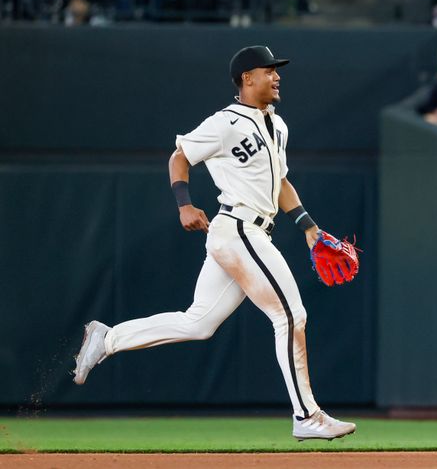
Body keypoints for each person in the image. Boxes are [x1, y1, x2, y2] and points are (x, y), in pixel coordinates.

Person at [72, 45, 357, 441]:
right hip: (238, 228)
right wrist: (184, 204)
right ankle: (307, 415)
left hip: (250, 232)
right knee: (291, 316)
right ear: (246, 78)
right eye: (268, 70)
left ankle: (108, 338)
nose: (277, 77)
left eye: (277, 71)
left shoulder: (278, 125)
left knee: (199, 323)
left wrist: (308, 226)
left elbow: (281, 183)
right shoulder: (225, 123)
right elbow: (179, 157)